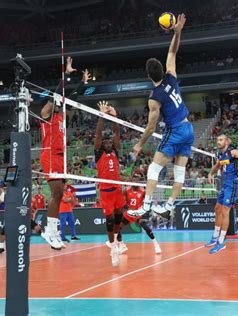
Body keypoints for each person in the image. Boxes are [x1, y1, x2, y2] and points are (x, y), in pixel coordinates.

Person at [128, 14, 193, 220]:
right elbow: (173, 50)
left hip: (174, 131)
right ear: (161, 70)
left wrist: (139, 145)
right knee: (179, 171)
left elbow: (150, 127)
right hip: (188, 128)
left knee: (153, 168)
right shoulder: (171, 75)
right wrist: (178, 32)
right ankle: (168, 205)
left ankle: (146, 205)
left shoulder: (154, 98)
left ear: (148, 76)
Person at [39, 57, 90, 250]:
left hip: (61, 157)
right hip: (50, 155)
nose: (60, 103)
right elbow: (54, 96)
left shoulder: (61, 115)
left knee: (59, 195)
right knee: (57, 192)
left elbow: (73, 99)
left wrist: (82, 83)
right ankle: (50, 232)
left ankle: (52, 232)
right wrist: (66, 75)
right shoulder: (46, 115)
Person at [95, 102, 125, 267]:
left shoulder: (115, 151)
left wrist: (114, 116)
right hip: (106, 192)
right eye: (105, 143)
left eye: (109, 142)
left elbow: (116, 132)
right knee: (109, 221)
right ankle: (113, 248)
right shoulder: (99, 153)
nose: (108, 143)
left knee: (119, 219)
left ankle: (117, 242)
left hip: (118, 191)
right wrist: (102, 115)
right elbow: (99, 134)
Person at [108, 177, 162, 254]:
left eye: (137, 181)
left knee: (146, 228)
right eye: (134, 180)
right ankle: (122, 245)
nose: (135, 182)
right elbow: (123, 202)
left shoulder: (142, 191)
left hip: (138, 213)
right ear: (131, 182)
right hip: (129, 213)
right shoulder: (126, 191)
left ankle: (156, 245)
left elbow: (148, 199)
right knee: (117, 228)